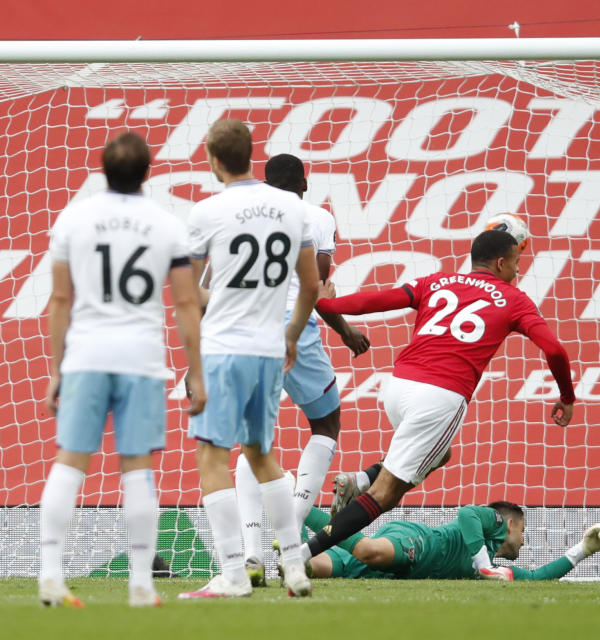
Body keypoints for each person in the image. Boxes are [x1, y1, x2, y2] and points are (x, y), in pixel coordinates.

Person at [299, 229, 576, 572]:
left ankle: (362, 479)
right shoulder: (514, 299)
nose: (518, 273)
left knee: (438, 455)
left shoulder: (438, 281)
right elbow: (554, 350)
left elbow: (376, 301)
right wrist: (567, 396)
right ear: (501, 263)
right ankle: (303, 552)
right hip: (440, 397)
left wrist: (327, 303)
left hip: (397, 386)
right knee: (386, 495)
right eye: (517, 265)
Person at [39, 132, 206, 608]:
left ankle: (50, 576)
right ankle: (140, 584)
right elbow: (186, 303)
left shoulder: (74, 219)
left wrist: (56, 369)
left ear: (103, 169)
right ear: (148, 172)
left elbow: (61, 300)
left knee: (69, 462)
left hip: (86, 357)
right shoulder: (166, 224)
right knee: (137, 470)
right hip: (141, 361)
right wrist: (195, 371)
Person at [177, 119, 318, 599]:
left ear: (214, 160)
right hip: (268, 348)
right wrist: (293, 335)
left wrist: (195, 364)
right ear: (252, 152)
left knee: (212, 456)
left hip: (222, 349)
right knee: (260, 454)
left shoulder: (207, 212)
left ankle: (235, 573)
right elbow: (312, 285)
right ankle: (295, 567)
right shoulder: (290, 207)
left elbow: (186, 296)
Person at [234, 153, 369, 586]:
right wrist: (346, 333)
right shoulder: (315, 217)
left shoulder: (245, 218)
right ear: (304, 184)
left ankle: (251, 554)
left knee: (254, 439)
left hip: (245, 327)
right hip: (294, 326)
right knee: (326, 424)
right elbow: (317, 287)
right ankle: (288, 533)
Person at [288, 501, 600, 580]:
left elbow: (540, 577)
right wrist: (483, 565)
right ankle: (299, 508)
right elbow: (467, 513)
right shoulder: (493, 523)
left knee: (312, 568)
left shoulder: (496, 570)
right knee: (368, 550)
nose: (524, 541)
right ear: (511, 523)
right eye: (523, 531)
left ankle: (290, 537)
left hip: (398, 570)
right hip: (418, 542)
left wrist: (585, 548)